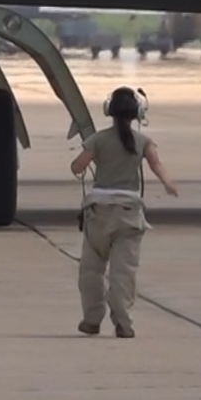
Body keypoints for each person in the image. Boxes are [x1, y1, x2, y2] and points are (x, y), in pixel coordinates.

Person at [69, 86, 179, 338]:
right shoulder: (143, 142)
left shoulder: (97, 139)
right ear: (137, 113)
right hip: (129, 213)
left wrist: (86, 164)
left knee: (91, 270)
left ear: (109, 111)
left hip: (99, 212)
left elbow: (78, 166)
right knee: (123, 271)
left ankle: (91, 319)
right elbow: (156, 165)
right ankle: (123, 322)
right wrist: (168, 184)